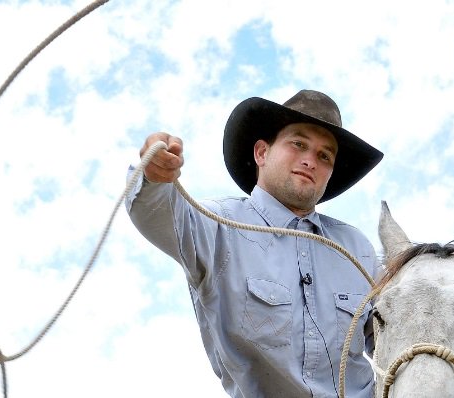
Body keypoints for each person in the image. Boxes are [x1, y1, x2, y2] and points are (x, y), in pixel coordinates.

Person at [125, 90, 384, 398]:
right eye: (298, 144)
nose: (310, 161)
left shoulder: (357, 249)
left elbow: (395, 332)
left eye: (324, 156)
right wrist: (155, 176)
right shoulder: (217, 225)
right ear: (261, 153)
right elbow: (158, 214)